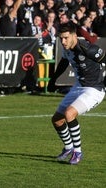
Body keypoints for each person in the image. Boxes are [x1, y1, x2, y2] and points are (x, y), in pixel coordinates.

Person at [47, 22, 106, 165]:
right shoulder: (67, 48)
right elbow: (63, 62)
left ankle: (77, 152)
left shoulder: (86, 48)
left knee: (69, 114)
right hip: (79, 86)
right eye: (61, 38)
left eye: (66, 38)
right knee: (57, 120)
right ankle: (68, 148)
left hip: (94, 89)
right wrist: (52, 80)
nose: (63, 41)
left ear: (74, 36)